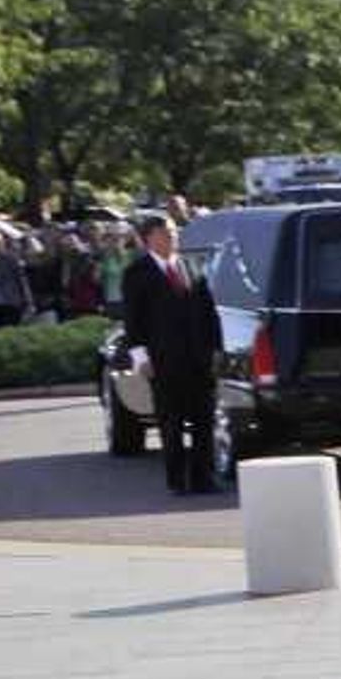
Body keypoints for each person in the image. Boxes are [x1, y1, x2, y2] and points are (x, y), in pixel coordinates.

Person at [116, 211, 220, 495]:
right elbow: (133, 319)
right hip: (164, 359)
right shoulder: (137, 273)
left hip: (198, 358)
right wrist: (141, 358)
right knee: (171, 422)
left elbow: (209, 312)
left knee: (203, 420)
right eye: (165, 233)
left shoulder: (191, 266)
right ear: (149, 239)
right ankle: (177, 480)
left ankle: (204, 478)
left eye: (174, 232)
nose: (172, 237)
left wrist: (215, 349)